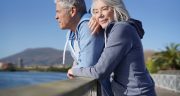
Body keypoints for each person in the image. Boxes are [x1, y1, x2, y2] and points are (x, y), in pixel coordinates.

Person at [68, 0, 157, 96]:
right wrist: (95, 16)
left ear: (116, 8)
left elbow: (100, 71)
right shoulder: (120, 28)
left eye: (104, 9)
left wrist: (74, 70)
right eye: (96, 12)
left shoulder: (121, 29)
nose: (100, 15)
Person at [55, 0, 112, 96]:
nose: (56, 16)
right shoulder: (71, 34)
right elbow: (79, 61)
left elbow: (87, 65)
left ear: (72, 11)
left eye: (58, 11)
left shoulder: (88, 25)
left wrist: (73, 70)